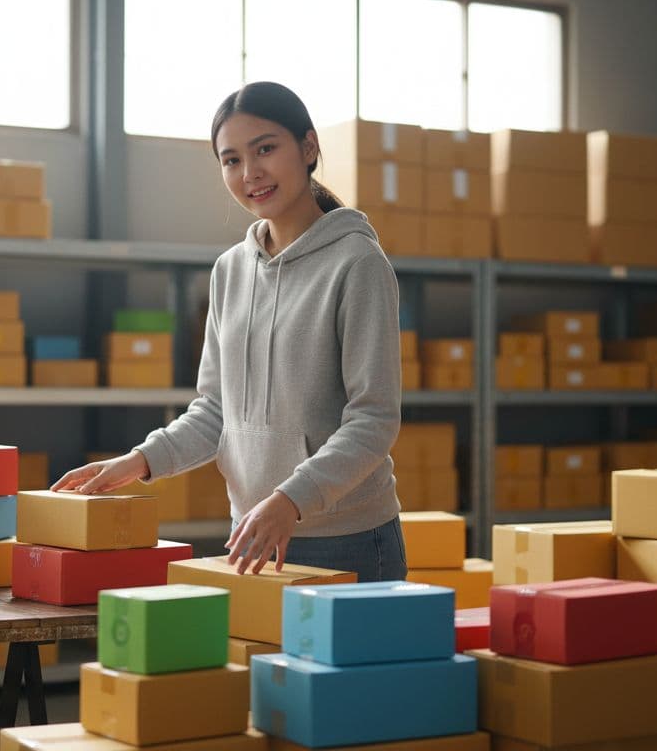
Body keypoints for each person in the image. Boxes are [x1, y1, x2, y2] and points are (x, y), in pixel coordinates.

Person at [53, 81, 404, 581]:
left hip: (346, 540)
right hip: (253, 533)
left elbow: (374, 420)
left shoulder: (358, 263)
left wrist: (289, 500)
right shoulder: (230, 271)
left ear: (308, 148)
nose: (250, 173)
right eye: (231, 159)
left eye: (265, 149)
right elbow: (215, 411)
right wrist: (137, 462)